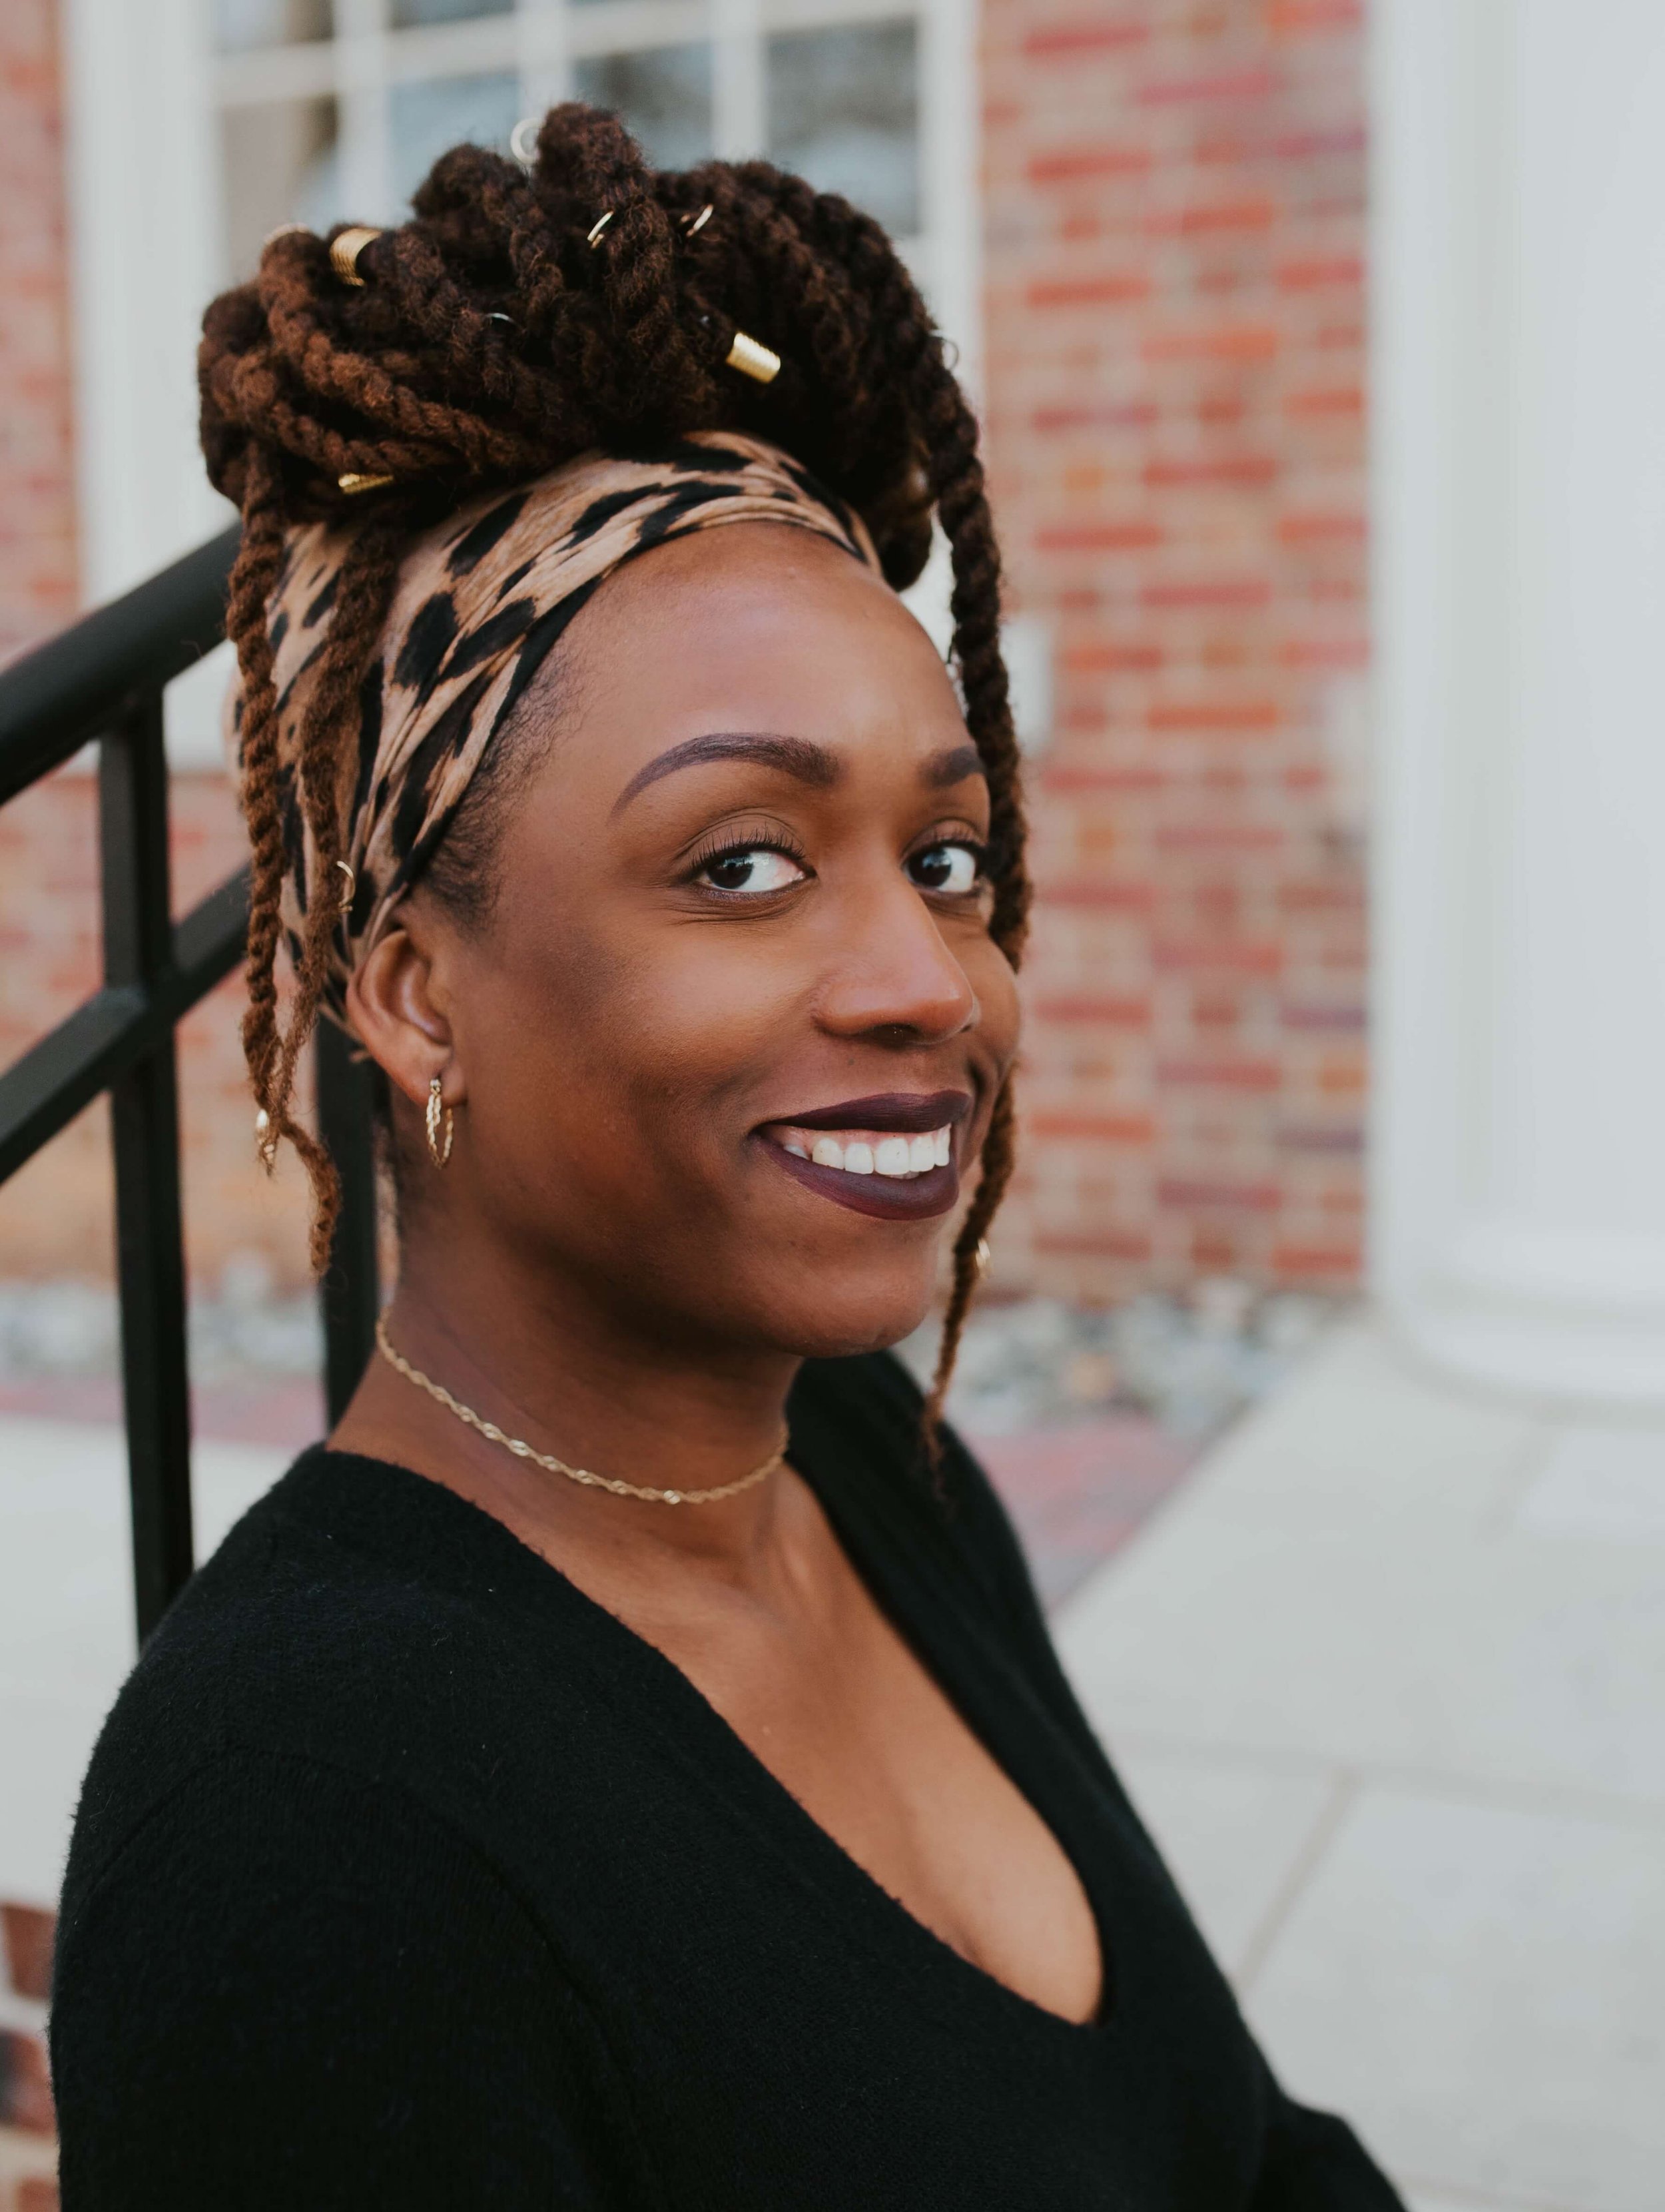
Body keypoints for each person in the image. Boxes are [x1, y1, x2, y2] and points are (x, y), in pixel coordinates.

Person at [49, 106, 1404, 2209]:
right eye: (741, 861)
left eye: (943, 855)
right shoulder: (306, 1840)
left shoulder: (867, 1460)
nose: (927, 977)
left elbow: (1242, 2156)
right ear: (414, 995)